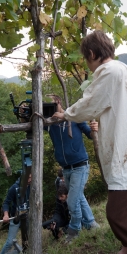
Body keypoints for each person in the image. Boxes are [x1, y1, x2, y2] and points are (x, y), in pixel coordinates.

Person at [53, 30, 127, 254]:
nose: (87, 65)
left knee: (116, 211)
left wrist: (66, 114)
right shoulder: (124, 69)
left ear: (91, 53)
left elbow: (90, 104)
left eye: (86, 59)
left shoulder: (109, 72)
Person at [46, 96, 100, 243]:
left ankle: (74, 231)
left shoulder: (75, 117)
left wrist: (95, 129)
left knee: (72, 202)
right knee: (79, 197)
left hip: (80, 165)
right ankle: (91, 223)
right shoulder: (49, 123)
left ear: (59, 102)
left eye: (54, 103)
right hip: (66, 169)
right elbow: (31, 123)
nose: (52, 107)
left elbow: (89, 134)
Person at [0, 173, 31, 254]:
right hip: (15, 217)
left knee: (29, 239)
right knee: (10, 242)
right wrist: (6, 215)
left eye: (31, 177)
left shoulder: (32, 186)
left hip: (27, 217)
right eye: (28, 178)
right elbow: (6, 203)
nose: (30, 180)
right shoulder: (14, 188)